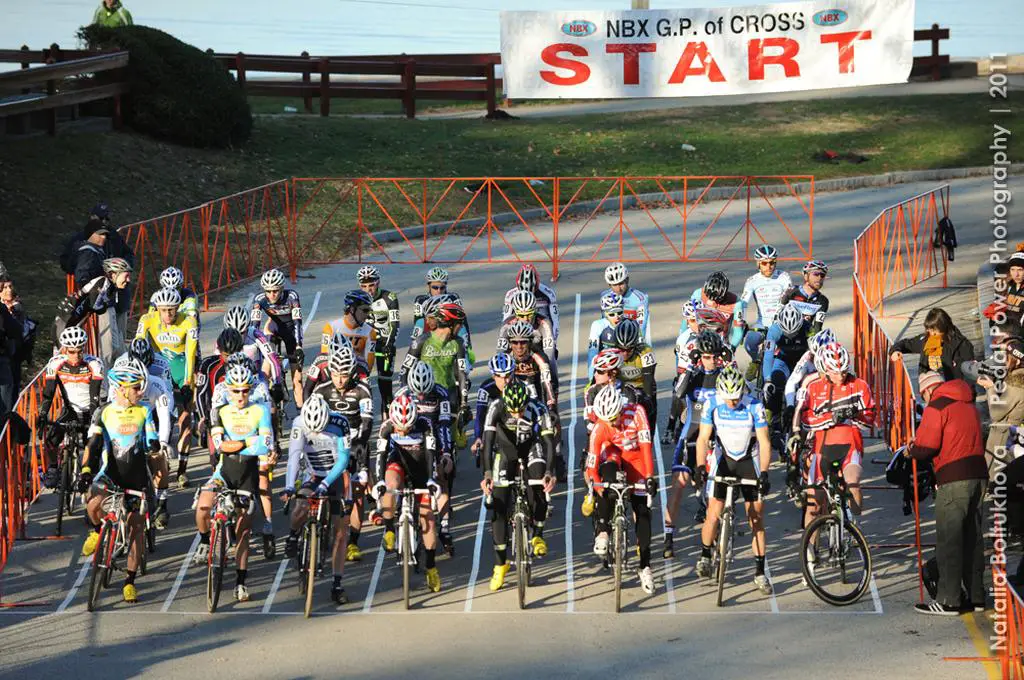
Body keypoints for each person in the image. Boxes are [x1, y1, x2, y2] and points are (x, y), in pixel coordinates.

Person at [79, 361, 159, 604]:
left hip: (136, 478)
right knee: (93, 506)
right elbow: (93, 445)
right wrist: (85, 472)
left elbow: (152, 439)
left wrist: (154, 446)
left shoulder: (145, 411)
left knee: (135, 529)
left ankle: (129, 582)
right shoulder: (103, 412)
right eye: (136, 388)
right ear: (122, 389)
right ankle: (96, 532)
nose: (140, 392)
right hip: (110, 474)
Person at [908, 371, 987, 615]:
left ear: (929, 390)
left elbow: (927, 446)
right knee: (973, 538)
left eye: (923, 394)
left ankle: (949, 600)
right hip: (978, 473)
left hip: (953, 477)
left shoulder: (937, 406)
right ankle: (976, 597)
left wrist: (911, 449)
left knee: (949, 540)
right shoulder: (968, 403)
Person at [192, 363, 272, 603]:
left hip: (247, 476)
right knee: (203, 507)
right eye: (236, 391)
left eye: (245, 391)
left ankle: (240, 581)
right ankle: (206, 541)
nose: (240, 396)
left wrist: (239, 443)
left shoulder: (260, 411)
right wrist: (250, 442)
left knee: (243, 532)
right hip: (224, 472)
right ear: (228, 390)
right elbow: (220, 446)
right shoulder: (220, 412)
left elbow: (266, 445)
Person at [693, 366, 774, 595]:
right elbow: (703, 439)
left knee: (756, 517)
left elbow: (765, 443)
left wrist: (765, 473)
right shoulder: (713, 404)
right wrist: (700, 467)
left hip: (749, 460)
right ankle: (705, 554)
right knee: (713, 512)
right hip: (723, 459)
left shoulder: (754, 406)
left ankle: (759, 571)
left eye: (736, 397)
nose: (732, 402)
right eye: (728, 398)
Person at [480, 381, 556, 591]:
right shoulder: (496, 406)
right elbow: (487, 442)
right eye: (513, 411)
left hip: (531, 448)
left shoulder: (538, 408)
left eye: (521, 410)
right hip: (505, 452)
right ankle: (500, 565)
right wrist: (487, 473)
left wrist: (550, 471)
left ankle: (538, 535)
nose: (517, 415)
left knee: (539, 483)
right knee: (498, 506)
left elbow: (549, 442)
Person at [664, 332, 734, 553]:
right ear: (699, 357)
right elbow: (678, 393)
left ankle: (714, 524)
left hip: (718, 434)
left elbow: (742, 394)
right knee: (678, 484)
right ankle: (668, 535)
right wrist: (691, 367)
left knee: (716, 487)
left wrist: (731, 364)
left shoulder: (725, 374)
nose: (711, 361)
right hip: (692, 433)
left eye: (714, 356)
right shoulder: (693, 374)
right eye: (706, 357)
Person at [584, 384, 658, 594]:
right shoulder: (601, 426)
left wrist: (650, 478)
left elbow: (646, 449)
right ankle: (604, 531)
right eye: (608, 420)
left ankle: (644, 566)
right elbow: (592, 464)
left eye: (615, 418)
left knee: (642, 511)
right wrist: (596, 488)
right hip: (614, 453)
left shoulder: (637, 413)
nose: (613, 423)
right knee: (604, 480)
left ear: (621, 409)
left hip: (635, 458)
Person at [795, 343, 875, 534]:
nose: (841, 376)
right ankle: (809, 554)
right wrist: (830, 418)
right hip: (822, 449)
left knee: (853, 485)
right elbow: (805, 419)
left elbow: (871, 419)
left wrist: (855, 415)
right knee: (813, 505)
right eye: (836, 372)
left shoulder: (859, 385)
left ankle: (854, 525)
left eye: (844, 372)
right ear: (825, 369)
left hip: (850, 445)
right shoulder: (813, 387)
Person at [282, 394, 353, 605]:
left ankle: (337, 583)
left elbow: (344, 460)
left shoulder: (341, 423)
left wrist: (326, 485)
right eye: (313, 430)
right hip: (313, 475)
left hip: (335, 476)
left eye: (320, 429)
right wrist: (288, 486)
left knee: (341, 532)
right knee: (300, 506)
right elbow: (294, 456)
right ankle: (294, 536)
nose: (316, 433)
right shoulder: (298, 423)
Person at [373, 394, 443, 593]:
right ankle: (389, 529)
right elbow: (380, 456)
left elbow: (431, 456)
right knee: (390, 484)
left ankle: (430, 567)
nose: (403, 432)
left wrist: (431, 480)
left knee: (426, 515)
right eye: (399, 429)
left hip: (421, 466)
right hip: (398, 462)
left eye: (408, 428)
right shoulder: (386, 427)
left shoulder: (425, 425)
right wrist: (379, 481)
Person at [394, 360, 455, 554]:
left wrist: (446, 452)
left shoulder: (441, 394)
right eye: (417, 393)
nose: (420, 396)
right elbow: (393, 423)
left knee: (443, 476)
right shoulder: (401, 394)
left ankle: (444, 528)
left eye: (424, 393)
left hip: (433, 439)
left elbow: (445, 425)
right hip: (408, 440)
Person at [135, 288, 199, 459]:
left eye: (172, 309)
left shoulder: (188, 321)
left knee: (184, 415)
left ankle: (182, 468)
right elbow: (137, 345)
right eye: (164, 310)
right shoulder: (147, 319)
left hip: (180, 368)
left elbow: (190, 354)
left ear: (178, 307)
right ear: (157, 309)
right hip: (157, 368)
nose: (168, 314)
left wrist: (186, 382)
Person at [36, 327, 104, 487]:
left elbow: (95, 396)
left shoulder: (94, 364)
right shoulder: (55, 363)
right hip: (70, 410)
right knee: (51, 440)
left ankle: (91, 477)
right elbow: (49, 392)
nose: (75, 356)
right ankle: (53, 468)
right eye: (71, 351)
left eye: (79, 351)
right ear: (65, 349)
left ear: (84, 348)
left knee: (93, 444)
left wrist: (94, 422)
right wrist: (43, 414)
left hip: (90, 410)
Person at [54, 257, 132, 370]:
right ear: (113, 274)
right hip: (65, 324)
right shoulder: (103, 283)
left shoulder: (108, 284)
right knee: (63, 362)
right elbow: (97, 307)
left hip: (70, 322)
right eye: (126, 276)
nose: (128, 280)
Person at [250, 268, 304, 403]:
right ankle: (269, 404)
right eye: (268, 291)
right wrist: (252, 346)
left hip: (291, 331)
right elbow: (254, 325)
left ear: (282, 289)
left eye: (275, 291)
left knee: (297, 379)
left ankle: (300, 412)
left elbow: (298, 322)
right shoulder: (259, 299)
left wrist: (299, 346)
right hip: (273, 328)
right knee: (266, 371)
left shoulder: (292, 296)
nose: (272, 294)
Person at [733, 245, 793, 355]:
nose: (769, 266)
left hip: (781, 323)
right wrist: (741, 321)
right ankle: (756, 364)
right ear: (758, 264)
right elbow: (743, 304)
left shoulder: (784, 277)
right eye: (764, 263)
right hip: (762, 323)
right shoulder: (752, 281)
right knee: (749, 344)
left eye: (772, 263)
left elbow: (788, 300)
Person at [889, 307, 976, 382]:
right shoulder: (926, 340)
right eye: (930, 330)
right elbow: (905, 344)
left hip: (954, 391)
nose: (932, 334)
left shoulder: (962, 344)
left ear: (944, 327)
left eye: (935, 330)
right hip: (930, 391)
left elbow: (970, 375)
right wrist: (895, 351)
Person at [598, 318, 657, 425]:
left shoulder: (645, 352)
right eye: (621, 349)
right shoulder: (609, 354)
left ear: (635, 345)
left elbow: (649, 381)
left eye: (629, 349)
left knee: (650, 402)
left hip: (641, 388)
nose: (624, 353)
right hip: (619, 389)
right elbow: (600, 381)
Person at [358, 266, 401, 412]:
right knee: (360, 383)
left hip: (384, 344)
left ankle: (387, 418)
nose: (368, 289)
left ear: (378, 282)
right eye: (364, 286)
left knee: (385, 388)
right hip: (365, 346)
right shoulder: (356, 299)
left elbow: (395, 325)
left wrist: (389, 345)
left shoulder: (390, 298)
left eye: (371, 285)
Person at [472, 353, 516, 466]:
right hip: (495, 420)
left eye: (507, 376)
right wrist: (478, 437)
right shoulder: (485, 388)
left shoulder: (521, 384)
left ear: (513, 373)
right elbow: (480, 414)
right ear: (493, 376)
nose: (505, 381)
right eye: (499, 376)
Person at [502, 264, 559, 343]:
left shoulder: (549, 293)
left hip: (540, 329)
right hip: (519, 331)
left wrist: (554, 341)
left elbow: (555, 320)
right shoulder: (510, 295)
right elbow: (506, 320)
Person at [0, 268, 34, 397]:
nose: (9, 290)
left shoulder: (17, 307)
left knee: (11, 388)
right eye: (5, 287)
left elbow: (17, 329)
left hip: (14, 353)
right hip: (5, 353)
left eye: (10, 286)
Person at [321, 290, 376, 366]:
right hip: (334, 372)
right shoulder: (330, 328)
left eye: (369, 311)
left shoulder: (370, 332)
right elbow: (325, 358)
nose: (368, 315)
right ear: (352, 309)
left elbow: (368, 364)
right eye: (365, 310)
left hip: (357, 372)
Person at [780, 260, 830, 335]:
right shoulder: (791, 292)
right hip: (785, 335)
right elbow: (777, 318)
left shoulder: (823, 300)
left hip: (805, 337)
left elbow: (817, 328)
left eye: (822, 275)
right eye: (816, 274)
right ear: (806, 276)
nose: (819, 278)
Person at [601, 263, 650, 339]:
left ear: (627, 280)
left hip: (633, 339)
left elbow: (641, 326)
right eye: (614, 285)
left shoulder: (640, 299)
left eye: (621, 284)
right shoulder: (605, 297)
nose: (618, 288)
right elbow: (604, 322)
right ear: (609, 285)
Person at [587, 292, 624, 375]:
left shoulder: (630, 324)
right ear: (605, 314)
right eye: (612, 314)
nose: (617, 317)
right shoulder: (597, 325)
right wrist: (591, 377)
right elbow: (592, 352)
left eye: (619, 312)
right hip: (606, 365)